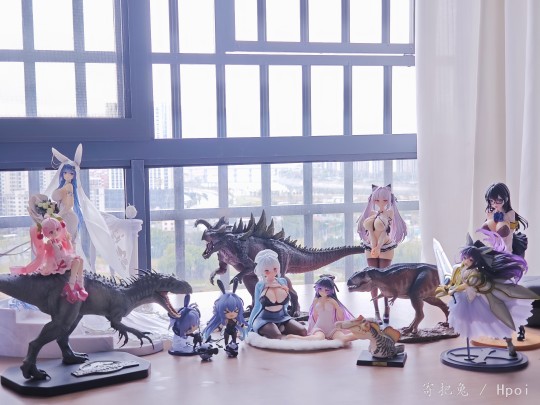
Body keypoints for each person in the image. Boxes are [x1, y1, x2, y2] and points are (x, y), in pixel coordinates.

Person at [436, 233, 539, 356]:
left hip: (482, 299)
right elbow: (456, 280)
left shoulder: (475, 274)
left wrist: (452, 290)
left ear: (477, 261)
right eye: (465, 257)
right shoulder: (461, 268)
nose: (466, 261)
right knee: (468, 321)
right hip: (469, 298)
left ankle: (509, 342)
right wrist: (448, 287)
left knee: (498, 321)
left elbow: (466, 286)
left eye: (470, 259)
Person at [43, 144, 127, 277]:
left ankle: (70, 271)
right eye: (65, 172)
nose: (67, 175)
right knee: (62, 243)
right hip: (64, 216)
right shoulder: (64, 185)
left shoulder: (69, 187)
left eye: (71, 173)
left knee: (68, 243)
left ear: (75, 175)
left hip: (68, 217)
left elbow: (69, 204)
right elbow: (60, 201)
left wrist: (58, 215)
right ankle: (66, 270)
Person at [12, 209, 88, 303]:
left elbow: (69, 249)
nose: (55, 233)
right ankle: (71, 285)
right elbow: (52, 255)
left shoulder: (59, 240)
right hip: (59, 262)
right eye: (51, 232)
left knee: (81, 260)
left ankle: (80, 284)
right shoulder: (49, 243)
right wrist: (52, 246)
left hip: (65, 257)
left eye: (57, 229)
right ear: (46, 233)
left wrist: (68, 240)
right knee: (76, 261)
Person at [357, 184, 407, 323]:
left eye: (385, 200)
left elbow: (385, 233)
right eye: (377, 200)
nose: (381, 203)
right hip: (371, 246)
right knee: (372, 278)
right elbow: (370, 232)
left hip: (385, 246)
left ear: (389, 200)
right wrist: (374, 247)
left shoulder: (390, 213)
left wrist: (379, 246)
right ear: (372, 200)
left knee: (384, 279)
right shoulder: (371, 214)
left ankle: (386, 308)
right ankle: (376, 311)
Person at [248, 249, 307, 339]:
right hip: (264, 319)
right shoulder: (260, 285)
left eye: (275, 269)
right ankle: (276, 329)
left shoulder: (282, 281)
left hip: (282, 317)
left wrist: (290, 319)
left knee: (303, 331)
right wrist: (250, 325)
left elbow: (286, 305)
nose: (272, 272)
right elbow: (256, 306)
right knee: (277, 336)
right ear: (261, 270)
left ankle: (281, 328)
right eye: (267, 270)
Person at [286, 275, 357, 343]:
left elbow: (341, 317)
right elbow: (314, 317)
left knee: (342, 338)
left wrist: (336, 305)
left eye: (326, 290)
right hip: (319, 327)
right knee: (318, 338)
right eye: (320, 289)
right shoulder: (316, 300)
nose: (323, 292)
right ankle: (297, 338)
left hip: (333, 328)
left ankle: (358, 334)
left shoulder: (332, 301)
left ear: (331, 290)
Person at [202, 280, 247, 357]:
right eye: (227, 311)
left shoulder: (235, 320)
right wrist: (218, 328)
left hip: (234, 331)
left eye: (235, 311)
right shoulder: (225, 320)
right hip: (227, 331)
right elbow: (221, 325)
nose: (232, 314)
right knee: (226, 340)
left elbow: (240, 324)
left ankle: (234, 346)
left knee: (234, 340)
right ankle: (227, 346)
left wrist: (243, 326)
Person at [482, 182, 528, 256]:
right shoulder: (490, 212)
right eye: (491, 201)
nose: (495, 204)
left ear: (506, 199)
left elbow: (513, 228)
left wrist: (505, 226)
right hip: (492, 245)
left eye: (499, 200)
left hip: (506, 244)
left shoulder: (510, 213)